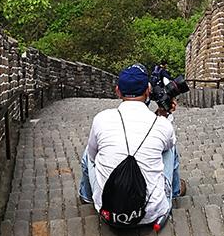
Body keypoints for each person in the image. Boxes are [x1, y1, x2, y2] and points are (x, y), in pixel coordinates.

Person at [78, 64, 185, 227]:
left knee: (88, 152)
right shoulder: (161, 125)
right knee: (170, 147)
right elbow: (167, 142)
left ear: (118, 91)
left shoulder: (101, 119)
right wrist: (165, 115)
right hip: (151, 213)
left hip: (108, 210)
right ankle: (175, 191)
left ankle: (86, 196)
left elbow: (92, 158)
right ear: (148, 91)